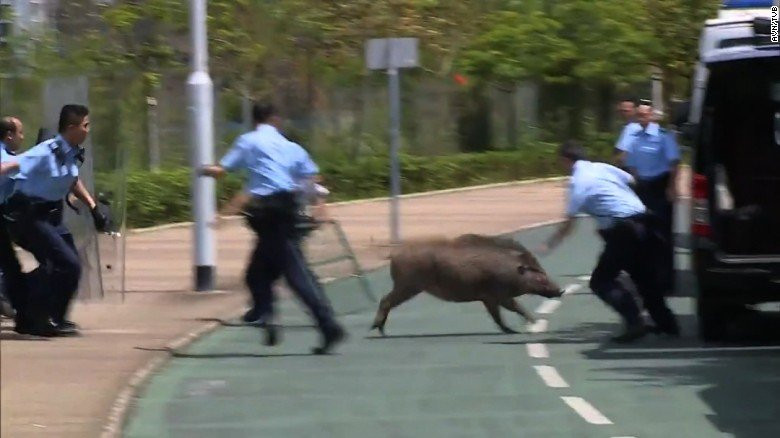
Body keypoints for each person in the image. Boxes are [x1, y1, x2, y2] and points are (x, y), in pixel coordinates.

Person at [200, 103, 346, 354]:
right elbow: (311, 176)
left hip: (270, 213)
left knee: (296, 274)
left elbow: (222, 170)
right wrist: (319, 206)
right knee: (256, 274)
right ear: (274, 119)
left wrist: (202, 169)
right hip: (285, 209)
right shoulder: (290, 146)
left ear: (254, 120)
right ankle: (266, 314)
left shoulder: (249, 141)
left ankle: (327, 324)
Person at [537, 141, 679, 343]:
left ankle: (634, 321)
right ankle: (668, 325)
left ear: (566, 160)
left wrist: (551, 243)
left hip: (624, 230)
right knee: (644, 277)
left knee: (601, 281)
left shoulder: (578, 181)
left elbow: (570, 221)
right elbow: (632, 180)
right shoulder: (602, 167)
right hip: (645, 222)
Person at [3, 105, 106, 336]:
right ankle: (33, 311)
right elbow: (13, 165)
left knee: (71, 267)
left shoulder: (70, 152)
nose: (88, 130)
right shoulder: (45, 151)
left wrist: (93, 208)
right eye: (85, 125)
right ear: (71, 127)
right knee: (66, 264)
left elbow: (72, 180)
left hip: (50, 217)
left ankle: (53, 317)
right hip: (29, 216)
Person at [0, 116, 57, 335]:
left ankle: (24, 318)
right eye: (20, 132)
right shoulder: (6, 157)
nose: (22, 137)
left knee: (11, 267)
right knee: (12, 269)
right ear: (9, 135)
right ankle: (25, 318)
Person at [617, 104, 679, 293]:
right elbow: (631, 164)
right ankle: (645, 279)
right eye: (639, 115)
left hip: (660, 186)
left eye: (645, 114)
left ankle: (666, 281)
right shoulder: (634, 138)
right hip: (642, 187)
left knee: (662, 235)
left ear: (652, 116)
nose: (641, 117)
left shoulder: (664, 136)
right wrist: (635, 185)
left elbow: (674, 163)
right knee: (641, 234)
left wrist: (671, 187)